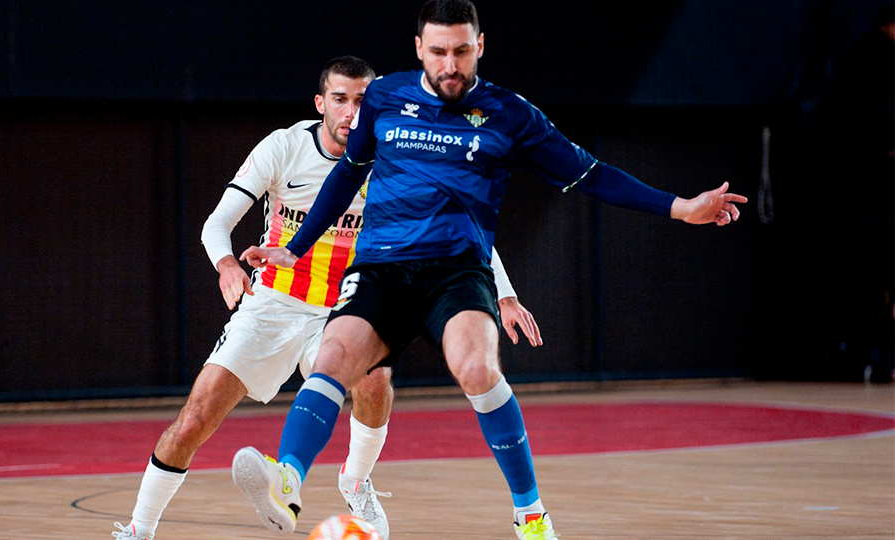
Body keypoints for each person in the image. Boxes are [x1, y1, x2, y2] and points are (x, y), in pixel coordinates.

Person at [230, 2, 748, 539]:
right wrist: (297, 247)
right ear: (419, 49)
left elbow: (590, 175)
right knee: (334, 356)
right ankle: (287, 480)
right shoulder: (384, 97)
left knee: (477, 367)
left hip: (456, 271)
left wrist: (680, 207)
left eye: (461, 51)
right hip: (382, 268)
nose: (449, 64)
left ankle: (530, 513)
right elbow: (348, 173)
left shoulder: (510, 114)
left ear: (479, 45)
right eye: (438, 52)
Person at [111, 55, 542, 540]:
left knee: (375, 380)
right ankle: (139, 529)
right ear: (321, 103)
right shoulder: (284, 147)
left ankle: (355, 480)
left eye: (363, 101)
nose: (352, 112)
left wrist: (504, 295)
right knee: (194, 419)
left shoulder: (399, 156)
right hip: (274, 303)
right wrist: (227, 265)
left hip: (347, 308)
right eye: (340, 99)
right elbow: (217, 223)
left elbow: (459, 229)